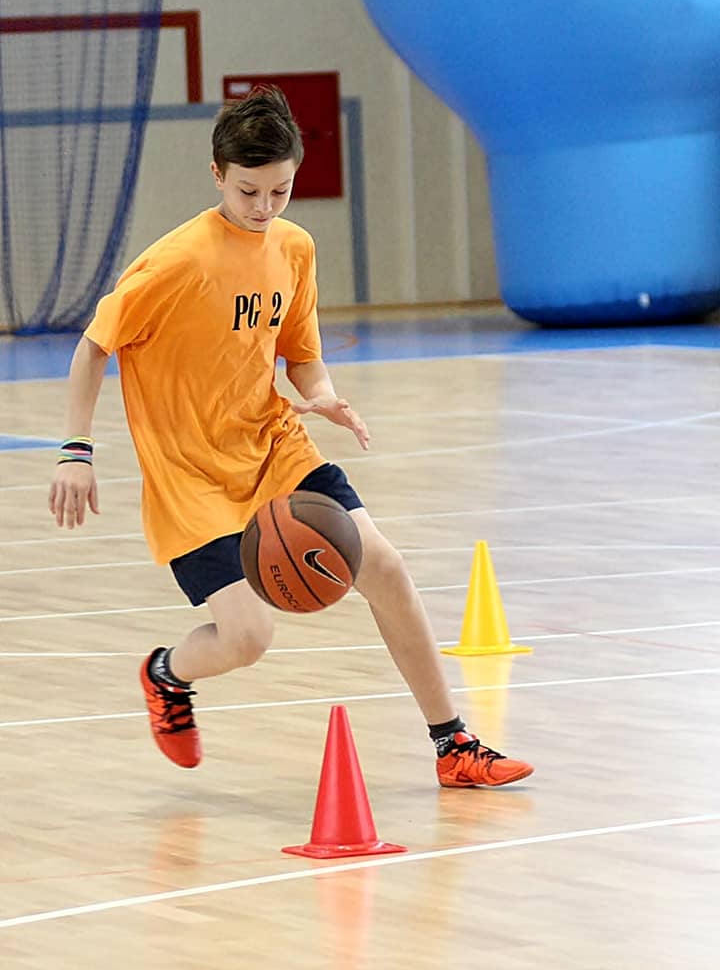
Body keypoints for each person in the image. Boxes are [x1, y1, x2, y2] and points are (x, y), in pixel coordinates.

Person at [48, 86, 533, 788]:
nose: (264, 207)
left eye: (280, 190)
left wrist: (322, 393)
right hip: (192, 477)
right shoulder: (176, 262)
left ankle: (453, 743)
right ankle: (166, 673)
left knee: (385, 567)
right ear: (217, 174)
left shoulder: (295, 248)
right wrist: (76, 451)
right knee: (248, 638)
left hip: (275, 445)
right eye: (248, 191)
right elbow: (94, 346)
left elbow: (301, 353)